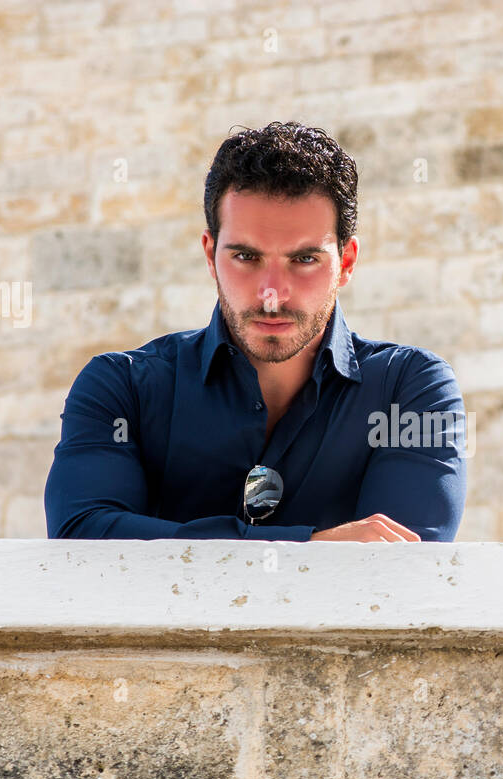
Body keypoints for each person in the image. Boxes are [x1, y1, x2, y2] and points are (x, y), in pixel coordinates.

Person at [44, 122, 467, 543]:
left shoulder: (411, 389)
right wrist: (312, 546)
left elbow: (406, 567)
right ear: (210, 256)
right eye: (246, 256)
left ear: (348, 262)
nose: (272, 294)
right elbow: (82, 540)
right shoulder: (122, 388)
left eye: (304, 259)